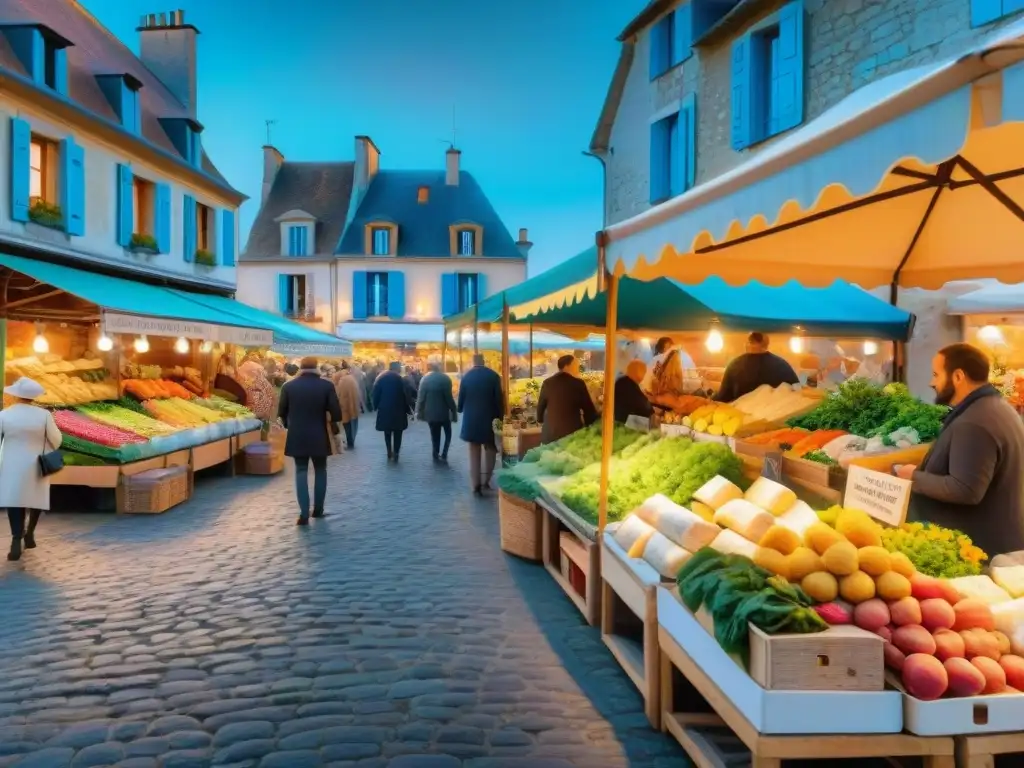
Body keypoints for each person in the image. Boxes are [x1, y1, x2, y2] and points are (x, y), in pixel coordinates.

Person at [895, 343, 1024, 558]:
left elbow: (965, 489)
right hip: (996, 543)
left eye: (936, 374)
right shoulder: (996, 408)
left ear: (958, 376)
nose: (931, 382)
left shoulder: (975, 422)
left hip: (981, 553)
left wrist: (913, 476)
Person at [0, 377, 62, 562]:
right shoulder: (43, 415)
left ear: (16, 396)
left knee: (15, 500)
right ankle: (30, 534)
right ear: (34, 397)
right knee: (35, 499)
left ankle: (15, 540)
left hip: (11, 464)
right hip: (37, 463)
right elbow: (57, 440)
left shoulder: (4, 414)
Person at [278, 357, 342, 525]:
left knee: (300, 471)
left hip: (297, 434)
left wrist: (290, 424)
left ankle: (304, 513)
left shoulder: (289, 387)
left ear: (300, 368)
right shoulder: (327, 386)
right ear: (317, 368)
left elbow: (281, 413)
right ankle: (318, 509)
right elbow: (337, 414)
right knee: (321, 470)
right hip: (320, 434)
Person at [458, 354, 504, 495]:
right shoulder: (493, 376)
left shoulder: (466, 377)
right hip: (489, 418)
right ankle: (486, 481)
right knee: (490, 449)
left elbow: (460, 403)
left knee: (474, 451)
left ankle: (475, 485)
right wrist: (500, 417)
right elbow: (498, 400)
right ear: (484, 361)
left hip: (471, 420)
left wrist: (461, 408)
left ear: (473, 362)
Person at [714, 332, 799, 402]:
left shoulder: (734, 365)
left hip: (743, 418)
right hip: (775, 417)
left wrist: (710, 398)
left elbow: (723, 398)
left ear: (747, 343)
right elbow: (798, 391)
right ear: (766, 343)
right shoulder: (781, 365)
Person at [537, 355, 598, 444]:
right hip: (571, 437)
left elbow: (540, 407)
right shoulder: (578, 384)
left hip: (549, 437)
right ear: (567, 366)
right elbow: (589, 410)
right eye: (576, 365)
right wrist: (591, 426)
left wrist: (540, 420)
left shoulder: (547, 383)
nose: (578, 368)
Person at [416, 362, 458, 462]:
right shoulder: (445, 379)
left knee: (434, 434)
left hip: (430, 413)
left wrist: (418, 412)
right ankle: (444, 453)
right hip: (444, 413)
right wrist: (453, 410)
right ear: (439, 368)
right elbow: (449, 398)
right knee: (448, 433)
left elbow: (421, 398)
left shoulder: (424, 379)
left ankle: (435, 452)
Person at [373, 362, 413, 460]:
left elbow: (375, 394)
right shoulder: (401, 379)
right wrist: (410, 409)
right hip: (399, 410)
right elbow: (407, 395)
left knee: (387, 432)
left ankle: (388, 451)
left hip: (385, 409)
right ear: (398, 369)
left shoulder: (381, 379)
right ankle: (396, 452)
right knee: (398, 433)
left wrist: (376, 406)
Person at [614, 359, 654, 424]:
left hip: (619, 421)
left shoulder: (621, 381)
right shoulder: (629, 385)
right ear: (638, 372)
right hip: (624, 425)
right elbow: (645, 408)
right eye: (644, 371)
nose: (644, 375)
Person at [333, 362, 362, 449]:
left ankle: (349, 443)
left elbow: (339, 394)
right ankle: (351, 442)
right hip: (352, 406)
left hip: (344, 406)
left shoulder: (342, 379)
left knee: (347, 426)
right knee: (351, 425)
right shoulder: (351, 378)